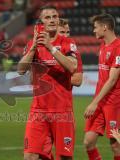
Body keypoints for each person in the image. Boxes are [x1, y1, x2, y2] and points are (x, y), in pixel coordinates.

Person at [18, 5, 78, 160]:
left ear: (58, 20)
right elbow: (20, 70)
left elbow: (72, 66)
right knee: (29, 156)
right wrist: (33, 48)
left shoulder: (68, 43)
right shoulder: (33, 44)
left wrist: (50, 47)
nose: (52, 20)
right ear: (41, 22)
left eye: (54, 16)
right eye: (47, 17)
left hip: (62, 111)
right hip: (38, 111)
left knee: (64, 157)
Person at [83, 13, 120, 160]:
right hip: (100, 101)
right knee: (88, 142)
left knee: (115, 144)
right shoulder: (103, 45)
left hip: (114, 102)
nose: (94, 31)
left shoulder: (118, 48)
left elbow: (111, 81)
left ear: (105, 27)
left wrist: (94, 103)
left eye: (95, 27)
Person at [58, 18, 83, 87]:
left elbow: (78, 80)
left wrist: (49, 80)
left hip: (62, 96)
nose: (66, 36)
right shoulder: (43, 46)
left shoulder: (73, 50)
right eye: (62, 32)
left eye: (68, 32)